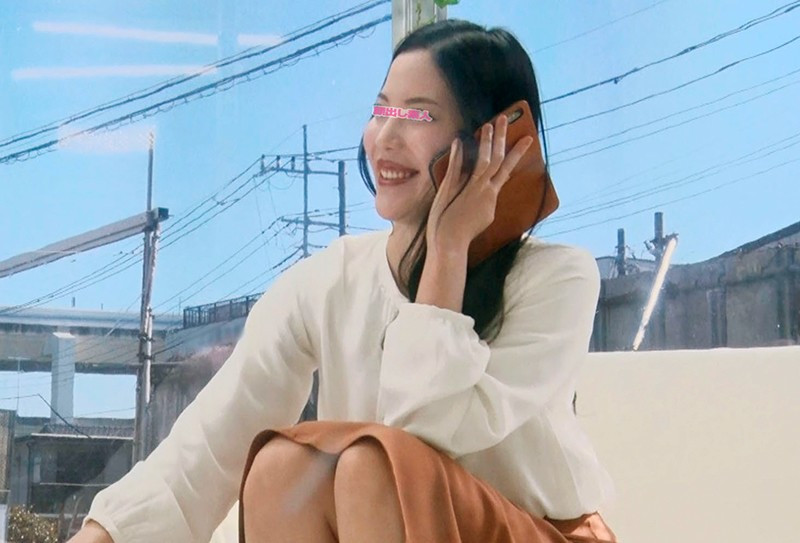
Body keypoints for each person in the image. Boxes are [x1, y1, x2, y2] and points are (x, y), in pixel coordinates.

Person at [69, 18, 617, 543]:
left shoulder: (557, 278)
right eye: (381, 110)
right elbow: (214, 440)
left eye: (418, 116)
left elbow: (426, 428)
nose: (386, 137)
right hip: (382, 521)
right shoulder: (331, 279)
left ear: (488, 143)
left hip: (540, 532)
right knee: (280, 466)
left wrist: (448, 248)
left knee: (370, 466)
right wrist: (104, 535)